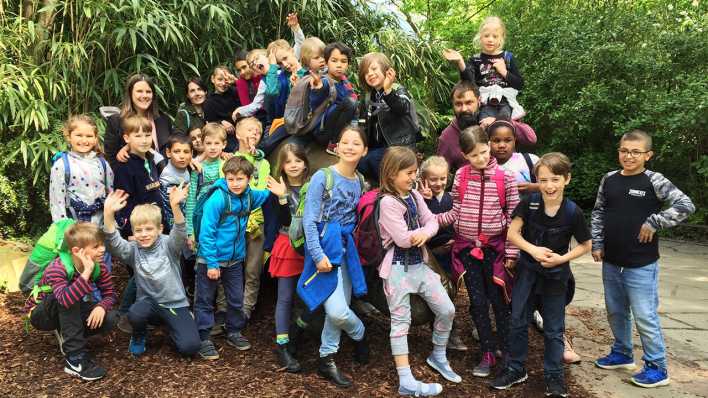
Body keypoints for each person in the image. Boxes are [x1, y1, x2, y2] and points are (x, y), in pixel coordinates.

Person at [591, 130, 695, 388]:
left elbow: (685, 205)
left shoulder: (655, 180)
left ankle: (657, 367)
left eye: (635, 152)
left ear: (648, 155)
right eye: (624, 150)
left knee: (645, 315)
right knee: (615, 312)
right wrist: (597, 242)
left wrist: (655, 221)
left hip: (642, 263)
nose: (628, 156)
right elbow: (599, 212)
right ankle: (622, 354)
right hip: (611, 260)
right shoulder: (609, 179)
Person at [491, 152, 592, 397]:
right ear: (537, 180)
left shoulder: (572, 212)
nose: (549, 186)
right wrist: (532, 250)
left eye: (555, 179)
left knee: (554, 328)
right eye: (543, 180)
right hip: (527, 271)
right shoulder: (529, 203)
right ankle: (516, 368)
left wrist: (562, 259)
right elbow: (512, 234)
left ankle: (554, 376)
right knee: (517, 320)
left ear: (566, 179)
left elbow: (585, 245)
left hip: (556, 276)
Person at [436, 126, 519, 378]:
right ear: (464, 155)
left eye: (484, 152)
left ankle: (506, 351)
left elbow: (514, 218)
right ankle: (487, 351)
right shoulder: (461, 176)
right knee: (478, 303)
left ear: (489, 145)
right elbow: (455, 211)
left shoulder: (506, 178)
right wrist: (429, 221)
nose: (481, 159)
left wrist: (512, 252)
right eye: (474, 155)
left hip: (495, 251)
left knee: (499, 301)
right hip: (467, 251)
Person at [377, 147, 459, 396]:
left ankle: (438, 354)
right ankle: (406, 381)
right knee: (401, 323)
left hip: (420, 266)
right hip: (397, 271)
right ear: (391, 174)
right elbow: (402, 239)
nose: (414, 177)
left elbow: (431, 219)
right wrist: (422, 232)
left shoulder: (414, 195)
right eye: (409, 172)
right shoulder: (388, 203)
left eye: (415, 172)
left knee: (447, 310)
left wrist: (425, 232)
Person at [297, 125, 369, 388]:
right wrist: (317, 255)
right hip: (325, 250)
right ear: (336, 147)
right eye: (345, 142)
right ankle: (361, 334)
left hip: (347, 252)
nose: (350, 147)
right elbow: (310, 219)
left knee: (335, 313)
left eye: (356, 143)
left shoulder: (360, 181)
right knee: (338, 312)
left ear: (364, 150)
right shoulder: (323, 177)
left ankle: (326, 359)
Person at [193, 157, 286, 360]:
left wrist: (279, 193)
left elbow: (265, 195)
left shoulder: (249, 196)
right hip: (211, 259)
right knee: (205, 300)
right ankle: (204, 337)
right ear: (225, 178)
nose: (235, 183)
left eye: (240, 179)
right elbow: (206, 234)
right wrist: (211, 263)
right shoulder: (217, 199)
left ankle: (234, 331)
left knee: (236, 298)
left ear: (249, 180)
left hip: (234, 260)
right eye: (231, 179)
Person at [103, 184, 201, 358]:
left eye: (149, 229)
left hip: (174, 304)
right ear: (133, 232)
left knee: (190, 347)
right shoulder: (134, 250)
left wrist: (175, 207)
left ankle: (176, 326)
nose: (144, 234)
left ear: (160, 229)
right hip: (148, 305)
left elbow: (179, 233)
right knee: (135, 313)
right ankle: (139, 335)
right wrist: (108, 214)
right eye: (138, 230)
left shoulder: (168, 246)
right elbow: (114, 243)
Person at [26, 223, 117, 381]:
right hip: (41, 314)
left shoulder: (99, 267)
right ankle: (75, 360)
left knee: (111, 318)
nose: (102, 249)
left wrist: (101, 307)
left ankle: (67, 333)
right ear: (77, 251)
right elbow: (65, 300)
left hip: (67, 308)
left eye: (102, 244)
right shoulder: (58, 268)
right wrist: (86, 272)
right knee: (69, 297)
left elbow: (110, 294)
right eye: (96, 246)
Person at [112, 115, 166, 332]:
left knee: (151, 271)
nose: (144, 139)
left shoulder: (150, 161)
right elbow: (122, 203)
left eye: (147, 135)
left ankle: (146, 312)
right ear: (127, 138)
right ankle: (125, 314)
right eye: (137, 135)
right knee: (140, 273)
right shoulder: (125, 168)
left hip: (156, 226)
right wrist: (129, 232)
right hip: (139, 230)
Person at [418, 156, 468, 352]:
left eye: (442, 179)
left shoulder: (451, 199)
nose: (438, 183)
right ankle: (447, 333)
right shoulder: (420, 200)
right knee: (438, 295)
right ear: (423, 179)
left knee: (450, 292)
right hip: (431, 255)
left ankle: (447, 332)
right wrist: (422, 199)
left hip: (450, 254)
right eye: (433, 179)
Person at [268, 143, 309, 372]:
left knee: (309, 297)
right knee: (285, 297)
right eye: (288, 161)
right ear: (282, 165)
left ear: (305, 163)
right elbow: (284, 220)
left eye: (297, 161)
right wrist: (282, 197)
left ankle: (297, 333)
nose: (293, 165)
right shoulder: (277, 187)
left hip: (309, 245)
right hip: (288, 244)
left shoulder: (313, 184)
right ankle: (282, 344)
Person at [437, 81, 535, 172]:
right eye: (458, 104)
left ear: (479, 101)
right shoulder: (447, 137)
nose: (464, 109)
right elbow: (439, 173)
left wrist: (501, 120)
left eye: (469, 103)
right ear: (453, 105)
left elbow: (531, 139)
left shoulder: (495, 121)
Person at [443, 16, 525, 126]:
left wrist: (504, 72)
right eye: (486, 36)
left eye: (495, 36)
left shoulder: (508, 57)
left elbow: (519, 84)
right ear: (480, 37)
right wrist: (460, 62)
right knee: (484, 126)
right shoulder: (476, 59)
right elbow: (469, 83)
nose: (490, 39)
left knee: (503, 126)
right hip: (485, 103)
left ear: (501, 38)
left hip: (506, 102)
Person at [357, 52, 418, 182]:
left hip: (399, 147)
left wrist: (388, 91)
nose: (370, 74)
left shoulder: (397, 89)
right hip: (377, 148)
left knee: (372, 159)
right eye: (366, 72)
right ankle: (381, 186)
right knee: (359, 160)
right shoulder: (368, 97)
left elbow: (402, 108)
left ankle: (390, 187)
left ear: (386, 70)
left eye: (374, 69)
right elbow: (362, 125)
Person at [50, 115, 113, 226]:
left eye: (89, 136)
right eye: (79, 135)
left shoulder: (102, 163)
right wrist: (61, 228)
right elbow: (57, 200)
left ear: (95, 138)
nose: (84, 140)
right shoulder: (62, 164)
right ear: (69, 137)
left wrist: (113, 222)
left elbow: (111, 193)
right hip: (75, 225)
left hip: (101, 225)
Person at [105, 73, 174, 169]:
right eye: (139, 91)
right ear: (130, 94)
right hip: (131, 179)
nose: (144, 95)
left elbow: (173, 148)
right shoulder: (116, 121)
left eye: (148, 92)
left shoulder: (163, 120)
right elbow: (111, 158)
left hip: (165, 177)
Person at [308, 42, 358, 155]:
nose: (339, 65)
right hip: (322, 131)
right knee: (350, 102)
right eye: (334, 61)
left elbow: (354, 112)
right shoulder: (324, 81)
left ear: (348, 64)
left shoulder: (346, 84)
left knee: (353, 103)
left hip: (337, 129)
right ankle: (333, 144)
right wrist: (317, 89)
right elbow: (315, 102)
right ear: (326, 62)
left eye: (343, 61)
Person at [203, 66, 240, 152]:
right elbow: (210, 124)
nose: (223, 83)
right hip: (225, 136)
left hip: (240, 130)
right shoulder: (209, 102)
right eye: (220, 79)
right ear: (213, 79)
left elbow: (246, 97)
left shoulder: (234, 91)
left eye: (226, 80)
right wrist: (221, 122)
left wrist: (235, 81)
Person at [160, 135, 193, 230]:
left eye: (186, 152)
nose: (182, 156)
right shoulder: (168, 178)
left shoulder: (187, 168)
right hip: (176, 227)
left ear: (191, 153)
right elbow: (169, 212)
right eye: (177, 151)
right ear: (168, 152)